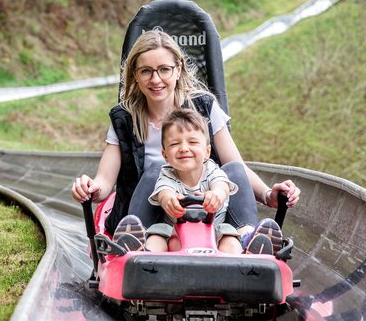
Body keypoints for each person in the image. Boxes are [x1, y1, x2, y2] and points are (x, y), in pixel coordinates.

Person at [70, 29, 299, 253]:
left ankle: (249, 240)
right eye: (146, 71)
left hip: (206, 208)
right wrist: (90, 188)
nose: (156, 79)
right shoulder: (124, 117)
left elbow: (235, 167)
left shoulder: (204, 106)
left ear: (178, 70)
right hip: (150, 213)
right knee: (158, 168)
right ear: (135, 75)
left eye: (164, 69)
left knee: (234, 169)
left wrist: (269, 195)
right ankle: (137, 241)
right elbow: (104, 182)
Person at [140, 108, 243, 253]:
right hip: (174, 233)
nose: (183, 148)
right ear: (165, 155)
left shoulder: (211, 170)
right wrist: (169, 201)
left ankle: (243, 259)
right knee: (156, 235)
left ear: (207, 151)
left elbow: (221, 185)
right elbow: (164, 192)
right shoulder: (167, 174)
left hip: (213, 231)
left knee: (230, 239)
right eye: (175, 144)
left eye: (193, 142)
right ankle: (144, 255)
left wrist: (216, 195)